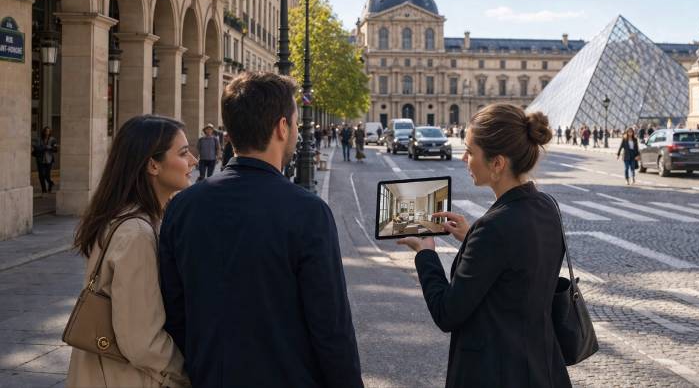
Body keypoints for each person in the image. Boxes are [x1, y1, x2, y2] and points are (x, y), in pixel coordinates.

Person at [159, 72, 362, 388]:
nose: (297, 131)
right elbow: (331, 328)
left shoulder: (182, 206)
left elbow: (174, 311)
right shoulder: (308, 212)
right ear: (282, 127)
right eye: (296, 123)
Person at [397, 104, 570, 388]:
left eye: (470, 151)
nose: (463, 158)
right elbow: (515, 266)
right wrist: (471, 236)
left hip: (496, 373)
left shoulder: (493, 229)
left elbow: (447, 312)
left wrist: (425, 254)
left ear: (497, 163)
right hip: (543, 367)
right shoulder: (547, 206)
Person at [66, 115, 194, 387]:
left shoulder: (123, 217)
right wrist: (185, 374)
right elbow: (142, 341)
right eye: (183, 153)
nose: (193, 160)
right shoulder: (137, 233)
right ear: (153, 165)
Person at [32, 126, 57, 193]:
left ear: (50, 132)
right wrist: (45, 147)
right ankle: (44, 189)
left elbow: (55, 149)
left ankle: (50, 183)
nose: (47, 132)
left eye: (48, 131)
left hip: (49, 160)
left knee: (47, 175)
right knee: (41, 175)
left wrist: (50, 148)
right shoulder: (39, 139)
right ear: (43, 132)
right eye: (46, 131)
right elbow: (36, 148)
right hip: (40, 159)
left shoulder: (53, 139)